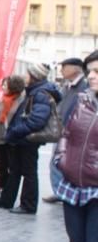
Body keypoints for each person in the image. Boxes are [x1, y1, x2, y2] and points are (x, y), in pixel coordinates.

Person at [51, 50, 98, 242]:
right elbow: (66, 134)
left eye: (96, 72)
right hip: (73, 185)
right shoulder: (83, 101)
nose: (91, 76)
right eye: (90, 71)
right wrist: (61, 159)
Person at [0, 63, 61, 215]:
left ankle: (28, 206)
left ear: (34, 77)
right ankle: (6, 201)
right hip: (22, 139)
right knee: (15, 170)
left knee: (29, 173)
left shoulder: (40, 94)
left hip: (28, 139)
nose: (25, 76)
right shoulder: (34, 91)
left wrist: (16, 131)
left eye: (28, 74)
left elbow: (37, 121)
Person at [44, 57, 89, 203]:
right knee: (58, 162)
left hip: (73, 132)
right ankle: (59, 191)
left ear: (75, 69)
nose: (61, 70)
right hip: (62, 130)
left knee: (61, 162)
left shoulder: (85, 86)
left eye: (64, 67)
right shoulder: (68, 85)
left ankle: (62, 191)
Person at [0, 75, 27, 194]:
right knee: (1, 162)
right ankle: (1, 183)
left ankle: (6, 185)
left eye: (5, 85)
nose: (3, 87)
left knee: (8, 162)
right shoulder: (4, 99)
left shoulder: (20, 101)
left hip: (8, 137)